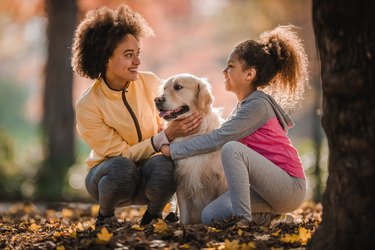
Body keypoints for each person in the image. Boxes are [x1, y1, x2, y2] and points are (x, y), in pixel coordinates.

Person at [161, 25, 309, 227]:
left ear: (249, 74)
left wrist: (174, 150)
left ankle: (243, 221)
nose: (224, 71)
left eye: (230, 66)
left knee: (231, 148)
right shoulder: (242, 107)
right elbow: (216, 134)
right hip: (263, 188)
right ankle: (274, 219)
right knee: (210, 215)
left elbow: (219, 138)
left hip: (288, 186)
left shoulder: (257, 105)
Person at [71, 5, 201, 227]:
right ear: (105, 59)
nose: (137, 62)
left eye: (137, 53)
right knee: (122, 166)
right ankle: (106, 216)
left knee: (167, 165)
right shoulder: (88, 105)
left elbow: (167, 121)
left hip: (148, 175)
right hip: (109, 179)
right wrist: (164, 137)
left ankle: (152, 216)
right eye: (128, 55)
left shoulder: (150, 83)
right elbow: (121, 155)